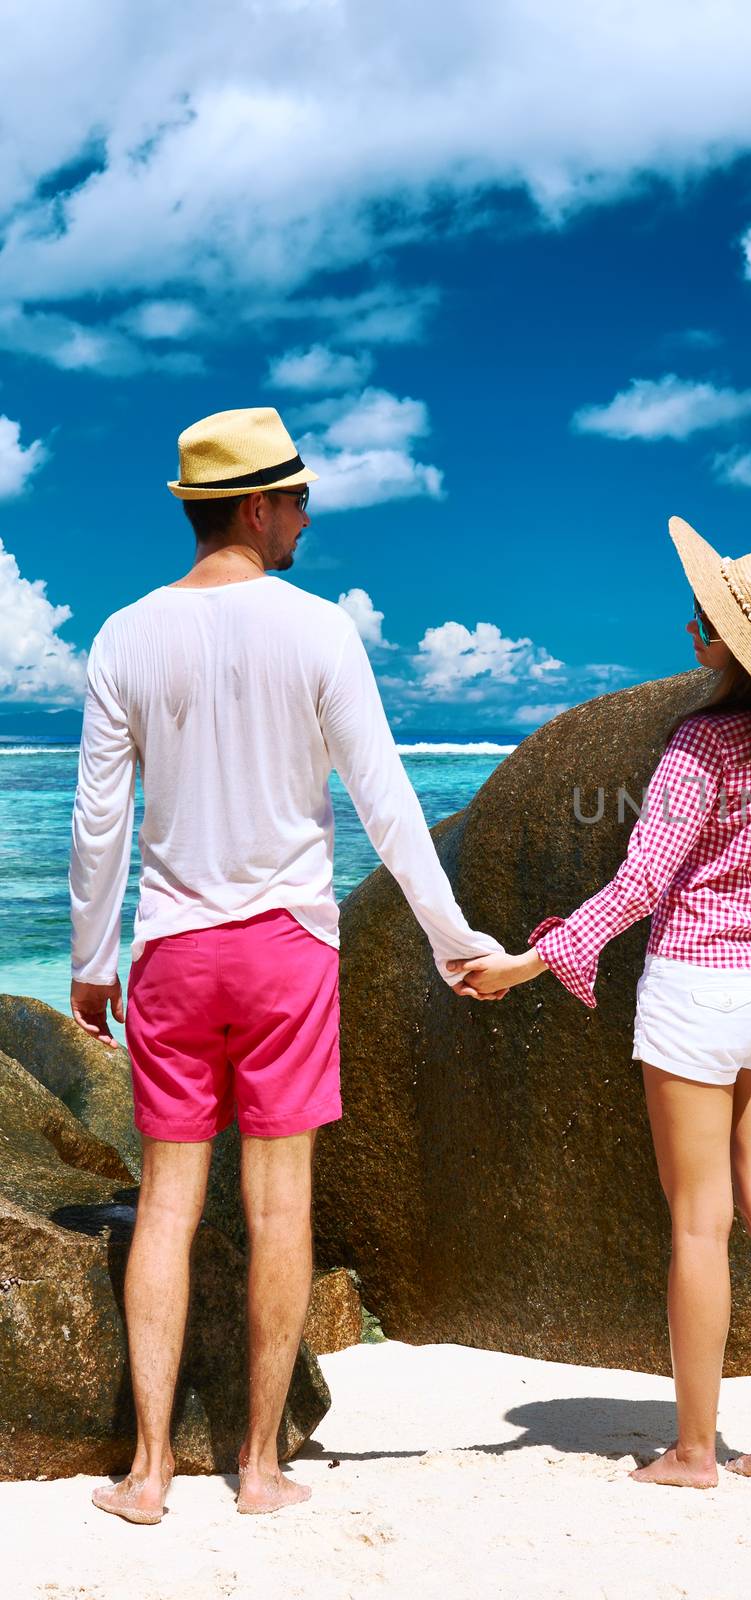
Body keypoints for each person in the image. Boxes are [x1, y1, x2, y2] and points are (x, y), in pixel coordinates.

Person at [68, 406, 507, 1525]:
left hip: (172, 950)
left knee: (166, 1207)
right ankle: (259, 1467)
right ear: (259, 505)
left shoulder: (123, 635)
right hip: (287, 954)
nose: (309, 517)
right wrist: (454, 940)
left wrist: (88, 960)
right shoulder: (318, 630)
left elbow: (98, 821)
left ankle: (150, 1470)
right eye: (301, 499)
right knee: (279, 1210)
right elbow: (387, 804)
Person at [451, 515, 751, 1492]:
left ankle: (696, 1450)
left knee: (700, 1223)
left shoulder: (699, 745)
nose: (689, 631)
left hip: (698, 997)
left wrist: (529, 962)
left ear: (727, 642)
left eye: (701, 619)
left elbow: (638, 885)